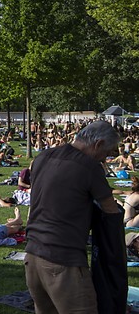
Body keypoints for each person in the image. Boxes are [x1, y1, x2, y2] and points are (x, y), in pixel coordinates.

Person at [24, 120, 121, 313]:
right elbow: (111, 210)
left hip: (32, 255)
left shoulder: (43, 156)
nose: (104, 159)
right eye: (107, 153)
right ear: (98, 144)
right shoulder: (89, 167)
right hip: (62, 260)